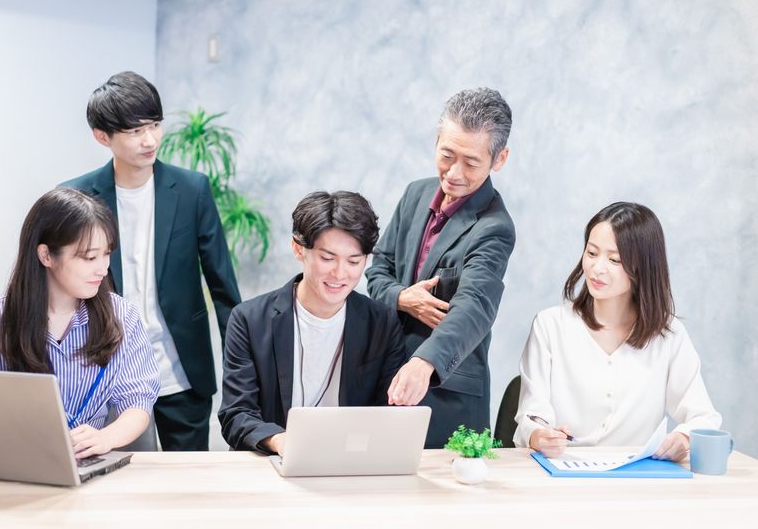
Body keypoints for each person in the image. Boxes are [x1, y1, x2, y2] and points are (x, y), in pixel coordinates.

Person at [61, 71, 241, 451]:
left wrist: (240, 368)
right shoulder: (77, 197)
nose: (150, 140)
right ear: (102, 136)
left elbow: (222, 285)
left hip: (181, 371)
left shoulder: (192, 190)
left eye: (155, 125)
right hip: (108, 373)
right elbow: (62, 288)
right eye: (135, 131)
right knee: (117, 476)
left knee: (187, 480)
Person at [366, 88, 515, 448]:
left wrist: (425, 362)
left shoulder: (495, 227)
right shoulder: (415, 194)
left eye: (471, 163)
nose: (454, 172)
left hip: (447, 395)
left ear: (500, 159)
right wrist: (402, 297)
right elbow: (378, 270)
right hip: (385, 376)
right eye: (447, 155)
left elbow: (474, 306)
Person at [513, 202, 722, 461]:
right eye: (592, 253)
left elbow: (704, 416)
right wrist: (539, 436)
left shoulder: (668, 335)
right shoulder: (550, 325)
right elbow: (531, 416)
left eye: (614, 260)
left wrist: (683, 438)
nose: (597, 268)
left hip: (638, 477)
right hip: (563, 473)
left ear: (644, 267)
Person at [0, 188, 159, 459]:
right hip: (18, 463)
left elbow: (138, 401)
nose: (103, 268)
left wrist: (105, 438)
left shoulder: (123, 316)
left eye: (107, 254)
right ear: (46, 256)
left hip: (91, 461)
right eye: (89, 257)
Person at [219, 191, 407, 454]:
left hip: (351, 461)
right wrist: (281, 442)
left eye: (354, 261)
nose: (340, 274)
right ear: (298, 249)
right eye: (327, 258)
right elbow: (236, 413)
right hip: (270, 461)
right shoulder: (249, 320)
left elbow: (390, 413)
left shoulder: (382, 323)